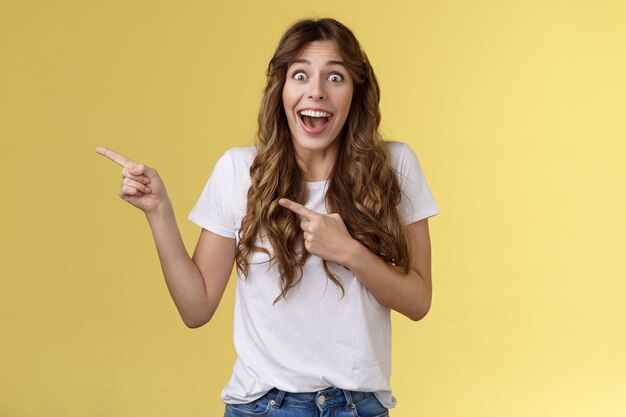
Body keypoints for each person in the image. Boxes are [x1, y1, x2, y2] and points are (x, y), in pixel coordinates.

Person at [96, 17, 439, 417]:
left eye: (335, 77)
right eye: (300, 75)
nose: (316, 91)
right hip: (262, 406)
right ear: (281, 89)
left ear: (356, 92)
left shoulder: (395, 166)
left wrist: (349, 252)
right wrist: (159, 213)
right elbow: (196, 309)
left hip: (357, 407)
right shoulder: (238, 171)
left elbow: (418, 301)